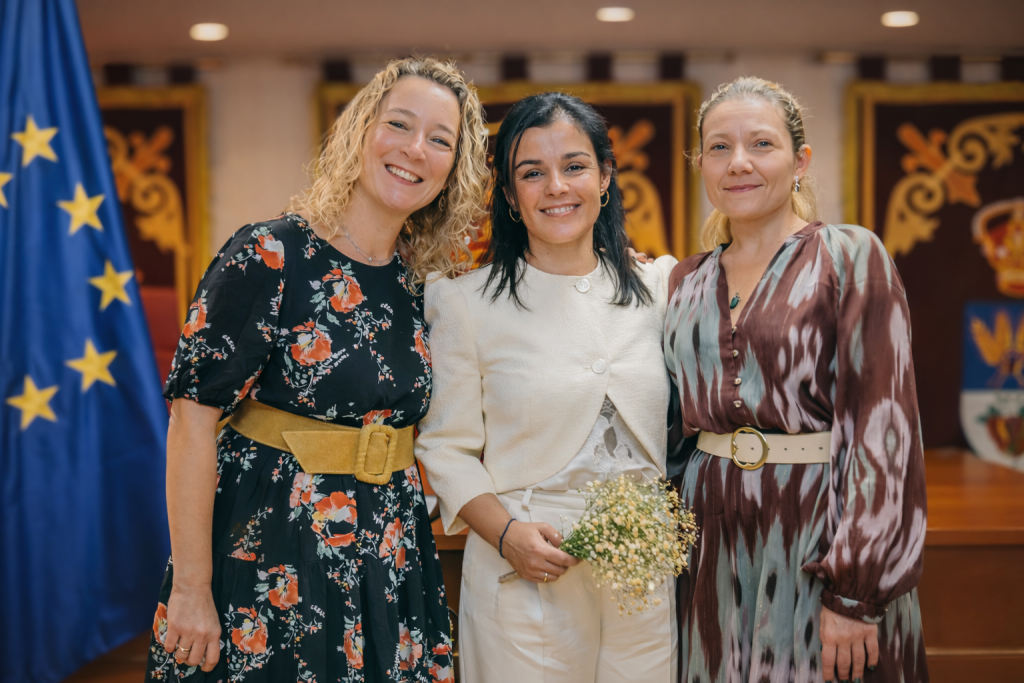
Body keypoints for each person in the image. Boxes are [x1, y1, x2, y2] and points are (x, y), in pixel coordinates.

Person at [144, 56, 489, 682]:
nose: (416, 149)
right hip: (272, 546)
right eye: (400, 125)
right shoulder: (269, 253)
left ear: (454, 169)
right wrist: (193, 587)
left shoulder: (428, 285)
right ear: (361, 130)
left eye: (441, 140)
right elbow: (191, 424)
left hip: (389, 554)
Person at [664, 76, 928, 683]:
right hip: (712, 543)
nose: (739, 163)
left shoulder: (850, 256)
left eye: (761, 144)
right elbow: (674, 432)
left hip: (818, 534)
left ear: (800, 161)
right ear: (699, 164)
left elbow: (883, 432)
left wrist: (858, 591)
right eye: (719, 148)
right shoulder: (685, 281)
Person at [415, 91, 679, 683]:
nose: (556, 186)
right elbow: (445, 447)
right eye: (532, 173)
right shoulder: (464, 302)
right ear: (510, 196)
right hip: (526, 564)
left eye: (575, 166)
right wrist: (507, 536)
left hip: (643, 567)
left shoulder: (658, 286)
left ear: (605, 177)